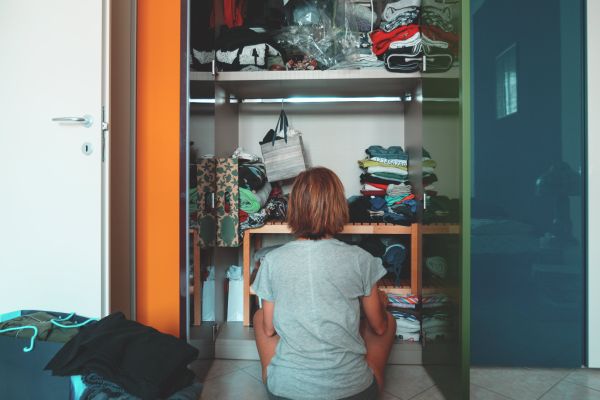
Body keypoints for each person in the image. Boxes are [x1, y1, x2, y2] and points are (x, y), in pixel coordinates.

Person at [252, 167, 397, 400]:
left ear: (294, 208)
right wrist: (379, 303)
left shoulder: (272, 261)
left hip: (286, 394)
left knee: (260, 317)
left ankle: (282, 377)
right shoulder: (361, 259)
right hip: (355, 393)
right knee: (386, 321)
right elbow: (379, 327)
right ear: (338, 207)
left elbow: (269, 328)